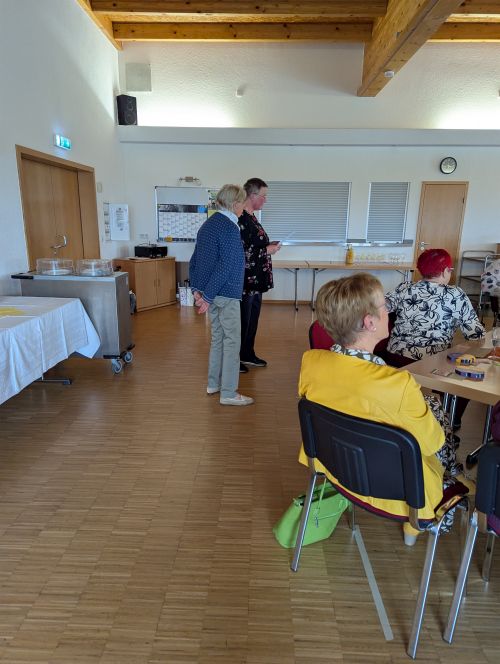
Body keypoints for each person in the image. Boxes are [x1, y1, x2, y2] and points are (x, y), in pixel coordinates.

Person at [298, 274, 472, 546]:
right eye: (385, 306)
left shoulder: (311, 362)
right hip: (400, 493)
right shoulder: (397, 383)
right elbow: (433, 443)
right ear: (369, 322)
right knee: (439, 438)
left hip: (333, 469)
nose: (389, 311)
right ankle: (414, 529)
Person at [385, 248, 485, 429]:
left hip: (396, 356)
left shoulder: (404, 288)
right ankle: (451, 420)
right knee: (466, 376)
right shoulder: (455, 294)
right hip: (433, 362)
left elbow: (379, 308)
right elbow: (475, 334)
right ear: (446, 271)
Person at [189, 184, 253, 406]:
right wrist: (206, 297)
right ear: (235, 204)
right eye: (242, 202)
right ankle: (228, 393)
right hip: (225, 293)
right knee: (232, 341)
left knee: (218, 338)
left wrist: (197, 290)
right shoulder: (229, 227)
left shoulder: (209, 224)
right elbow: (226, 265)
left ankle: (213, 384)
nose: (244, 207)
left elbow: (195, 261)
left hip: (213, 292)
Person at [238, 178, 281, 373]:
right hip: (246, 281)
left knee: (252, 319)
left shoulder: (253, 218)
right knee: (242, 320)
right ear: (252, 195)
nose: (266, 200)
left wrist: (269, 247)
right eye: (263, 196)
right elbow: (241, 252)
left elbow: (255, 245)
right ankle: (235, 358)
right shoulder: (240, 219)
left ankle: (247, 353)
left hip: (256, 280)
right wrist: (267, 250)